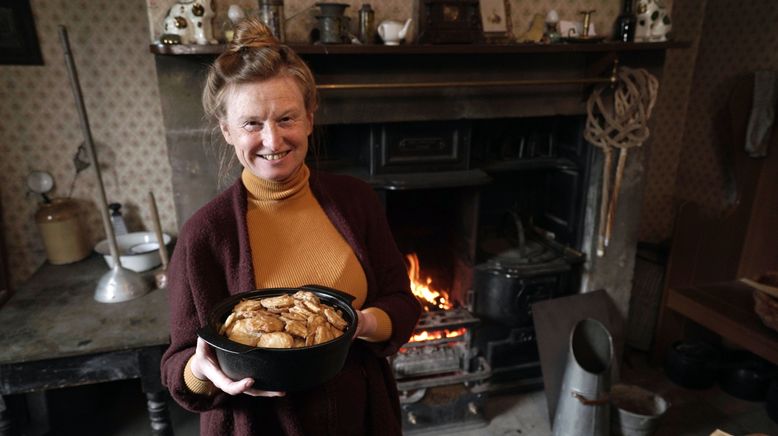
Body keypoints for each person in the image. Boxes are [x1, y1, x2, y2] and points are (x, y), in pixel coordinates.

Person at [160, 17, 422, 436]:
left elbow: (403, 303)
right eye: (251, 124)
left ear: (310, 118)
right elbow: (178, 370)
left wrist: (362, 324)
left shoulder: (356, 200)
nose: (272, 140)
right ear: (226, 130)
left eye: (286, 118)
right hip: (258, 426)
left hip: (361, 417)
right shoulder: (204, 235)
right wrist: (201, 369)